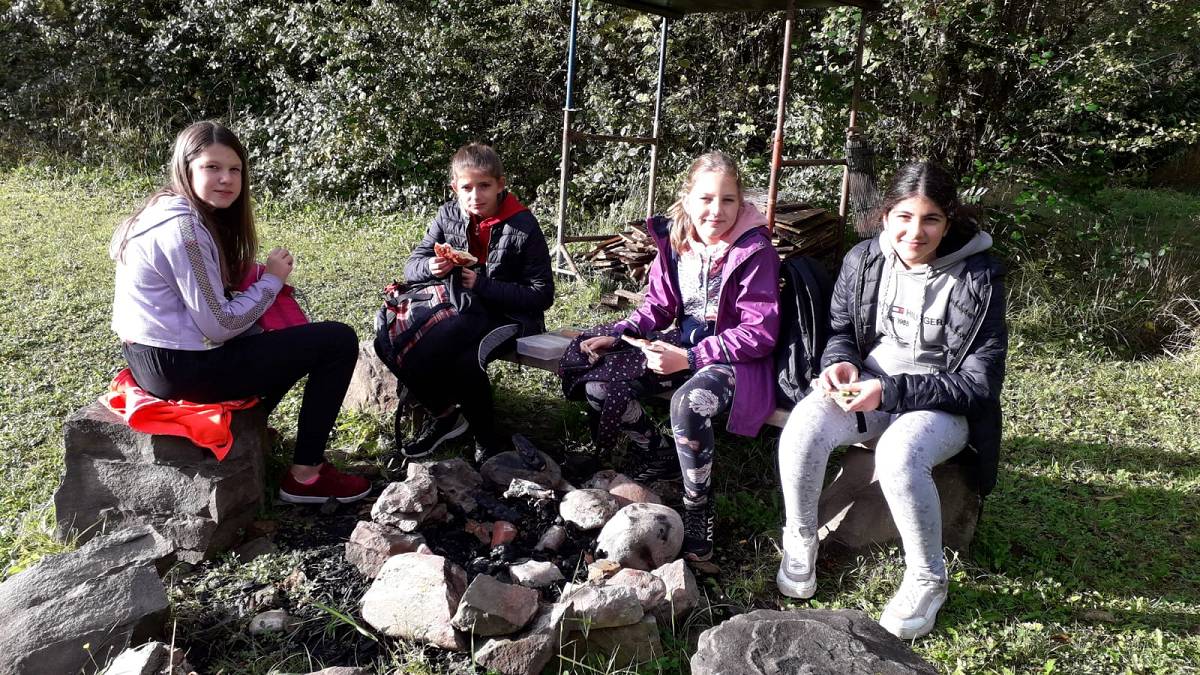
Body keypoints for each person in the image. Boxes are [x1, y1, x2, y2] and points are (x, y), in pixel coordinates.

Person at [775, 162, 1007, 639]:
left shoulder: (980, 276)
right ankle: (800, 537)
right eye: (903, 216)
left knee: (898, 454)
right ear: (885, 216)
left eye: (930, 219)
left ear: (948, 222)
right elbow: (841, 330)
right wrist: (840, 362)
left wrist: (889, 391)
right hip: (871, 387)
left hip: (942, 405)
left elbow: (979, 383)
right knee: (804, 423)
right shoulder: (864, 259)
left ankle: (928, 577)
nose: (914, 232)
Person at [110, 120, 370, 504]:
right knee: (337, 341)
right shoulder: (184, 230)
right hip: (181, 366)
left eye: (235, 169)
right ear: (185, 168)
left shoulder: (159, 207)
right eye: (212, 167)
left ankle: (249, 428)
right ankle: (307, 475)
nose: (227, 179)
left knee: (279, 339)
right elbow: (220, 325)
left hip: (151, 356)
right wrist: (273, 280)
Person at [575, 151, 780, 562]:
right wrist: (620, 333)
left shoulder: (754, 252)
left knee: (689, 404)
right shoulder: (676, 241)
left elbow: (760, 333)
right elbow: (659, 305)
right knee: (599, 383)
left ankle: (698, 506)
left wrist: (690, 357)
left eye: (727, 200)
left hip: (736, 361)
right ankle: (658, 451)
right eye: (706, 198)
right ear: (687, 199)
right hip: (683, 346)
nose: (716, 210)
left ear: (740, 202)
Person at [397, 143, 554, 462]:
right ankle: (446, 417)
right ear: (455, 188)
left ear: (500, 184)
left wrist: (482, 284)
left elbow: (541, 294)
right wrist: (431, 266)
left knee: (466, 359)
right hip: (461, 309)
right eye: (467, 188)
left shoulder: (523, 224)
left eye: (484, 186)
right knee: (399, 340)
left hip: (512, 317)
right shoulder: (448, 214)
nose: (475, 196)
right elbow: (413, 264)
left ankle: (486, 440)